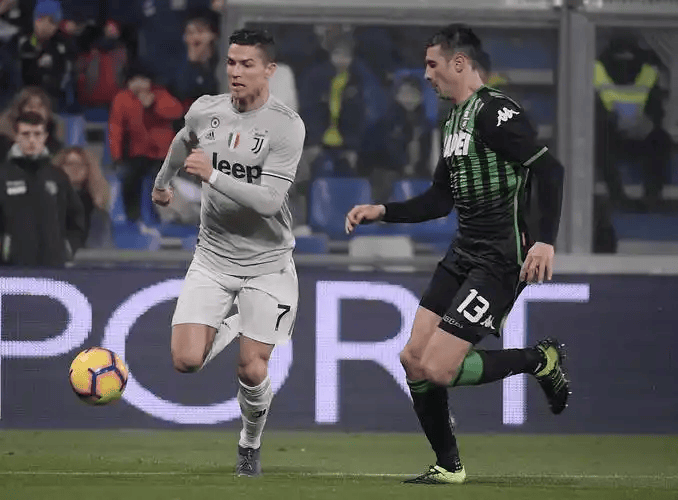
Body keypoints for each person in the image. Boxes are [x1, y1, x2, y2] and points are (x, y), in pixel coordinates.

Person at [345, 24, 567, 484]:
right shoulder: (452, 121)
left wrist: (544, 240)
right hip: (463, 252)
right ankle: (449, 465)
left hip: (501, 258)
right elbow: (439, 200)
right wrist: (383, 211)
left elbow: (550, 169)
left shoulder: (496, 113)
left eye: (433, 64)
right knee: (413, 359)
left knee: (438, 369)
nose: (427, 75)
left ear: (459, 63)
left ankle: (539, 360)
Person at [151, 28, 305, 477]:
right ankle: (238, 320)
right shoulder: (206, 110)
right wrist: (162, 182)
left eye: (247, 64)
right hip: (213, 258)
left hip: (267, 263)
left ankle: (249, 443)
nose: (236, 72)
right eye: (231, 63)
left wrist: (214, 176)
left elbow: (270, 202)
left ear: (269, 70)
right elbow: (183, 141)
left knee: (252, 369)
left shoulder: (286, 126)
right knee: (185, 362)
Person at [0, 111, 85, 266]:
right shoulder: (3, 176)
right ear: (16, 136)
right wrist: (5, 250)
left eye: (37, 134)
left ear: (45, 137)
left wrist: (68, 248)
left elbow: (76, 218)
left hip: (54, 268)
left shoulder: (58, 177)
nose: (32, 140)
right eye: (26, 134)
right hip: (12, 269)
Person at [108, 65, 183, 221]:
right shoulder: (122, 99)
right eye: (134, 80)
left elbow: (176, 111)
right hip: (137, 153)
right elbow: (116, 129)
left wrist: (153, 104)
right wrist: (116, 155)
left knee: (164, 183)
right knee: (129, 179)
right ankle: (133, 218)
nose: (139, 84)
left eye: (143, 80)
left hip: (163, 154)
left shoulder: (160, 95)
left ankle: (168, 218)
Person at [52, 146, 112, 247]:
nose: (75, 169)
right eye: (69, 164)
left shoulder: (96, 210)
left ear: (88, 169)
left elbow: (99, 245)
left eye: (80, 165)